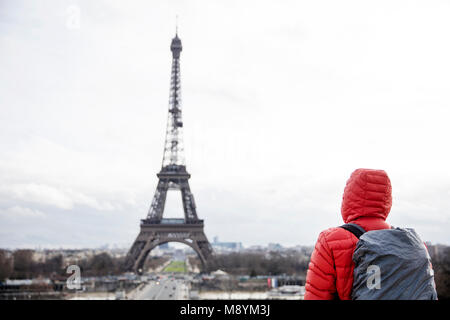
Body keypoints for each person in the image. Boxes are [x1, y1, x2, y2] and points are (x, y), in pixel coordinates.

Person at [304, 168, 393, 300]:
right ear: (387, 199)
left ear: (348, 197)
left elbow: (317, 296)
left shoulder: (330, 240)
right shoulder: (412, 243)